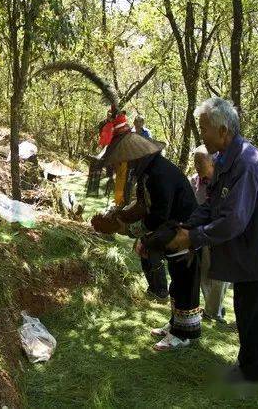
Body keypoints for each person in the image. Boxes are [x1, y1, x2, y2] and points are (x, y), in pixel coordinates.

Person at [167, 97, 258, 382]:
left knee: (256, 319)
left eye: (204, 128)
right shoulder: (224, 160)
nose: (201, 135)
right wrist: (187, 226)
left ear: (223, 131)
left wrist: (193, 238)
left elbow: (234, 220)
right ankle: (247, 368)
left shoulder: (248, 163)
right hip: (248, 257)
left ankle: (253, 377)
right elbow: (211, 204)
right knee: (246, 314)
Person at [103, 133, 200, 351]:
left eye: (123, 162)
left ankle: (182, 335)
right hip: (171, 231)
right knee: (177, 280)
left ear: (135, 158)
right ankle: (176, 324)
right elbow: (142, 206)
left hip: (183, 233)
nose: (121, 167)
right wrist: (121, 215)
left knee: (184, 281)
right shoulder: (147, 173)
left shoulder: (159, 174)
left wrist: (131, 231)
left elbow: (158, 215)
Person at [190, 145, 230, 323]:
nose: (197, 166)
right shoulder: (193, 182)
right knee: (205, 272)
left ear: (213, 162)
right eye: (195, 162)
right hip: (202, 234)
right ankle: (212, 308)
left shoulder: (225, 182)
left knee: (222, 275)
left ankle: (215, 309)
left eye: (201, 162)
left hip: (221, 233)